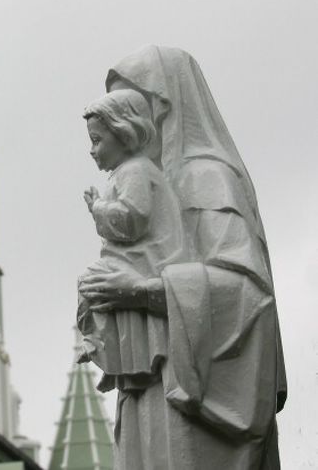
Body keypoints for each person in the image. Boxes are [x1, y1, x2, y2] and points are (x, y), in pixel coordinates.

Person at [77, 46, 285, 470]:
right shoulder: (144, 181)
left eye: (134, 104)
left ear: (163, 108)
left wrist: (144, 291)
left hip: (192, 401)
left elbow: (249, 296)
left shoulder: (208, 178)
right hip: (148, 385)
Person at [78, 90, 186, 387]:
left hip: (147, 258)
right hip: (134, 259)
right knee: (93, 287)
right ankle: (109, 351)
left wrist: (98, 208)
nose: (91, 149)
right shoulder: (128, 172)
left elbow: (132, 220)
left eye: (97, 140)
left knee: (91, 283)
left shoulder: (136, 170)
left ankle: (104, 348)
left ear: (124, 134)